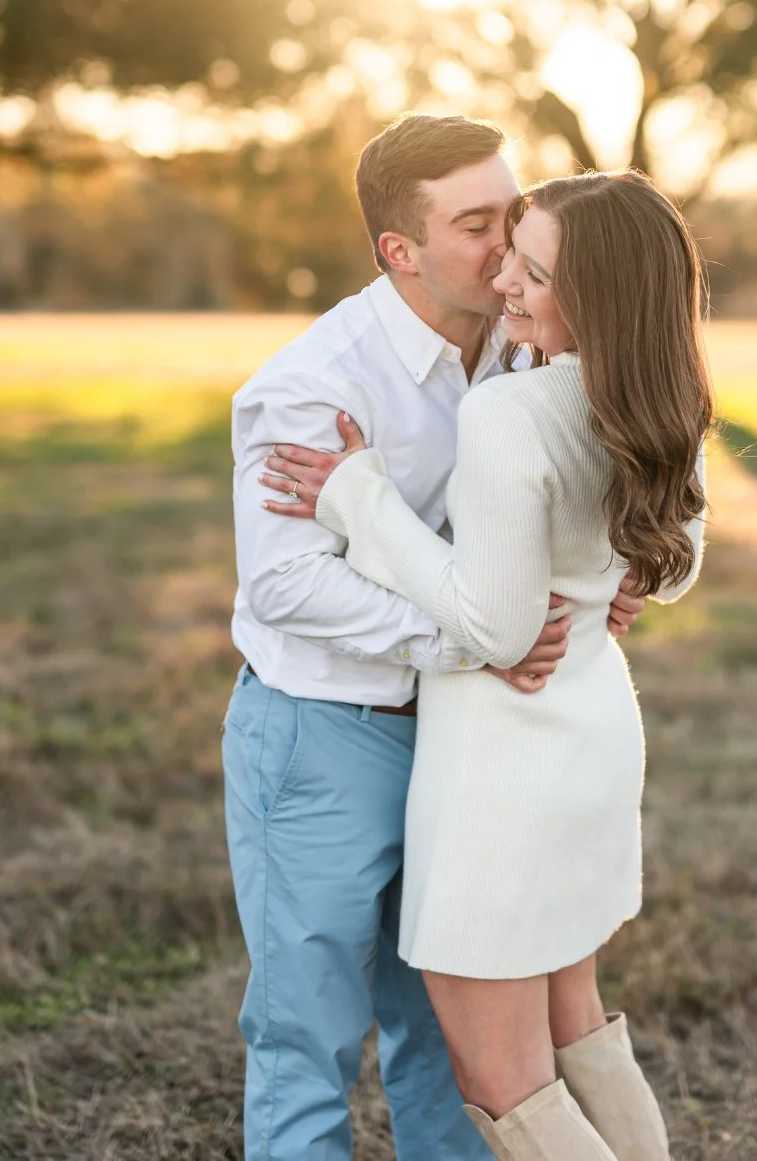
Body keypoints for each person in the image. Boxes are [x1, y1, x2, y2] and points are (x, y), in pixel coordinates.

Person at [261, 168, 714, 1161]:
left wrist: (356, 496)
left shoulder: (511, 410)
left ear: (592, 297)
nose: (507, 279)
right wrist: (608, 581)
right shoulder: (662, 390)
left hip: (501, 780)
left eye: (535, 269)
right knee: (576, 1027)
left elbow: (496, 627)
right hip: (593, 744)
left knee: (507, 1087)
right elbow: (676, 568)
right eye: (511, 247)